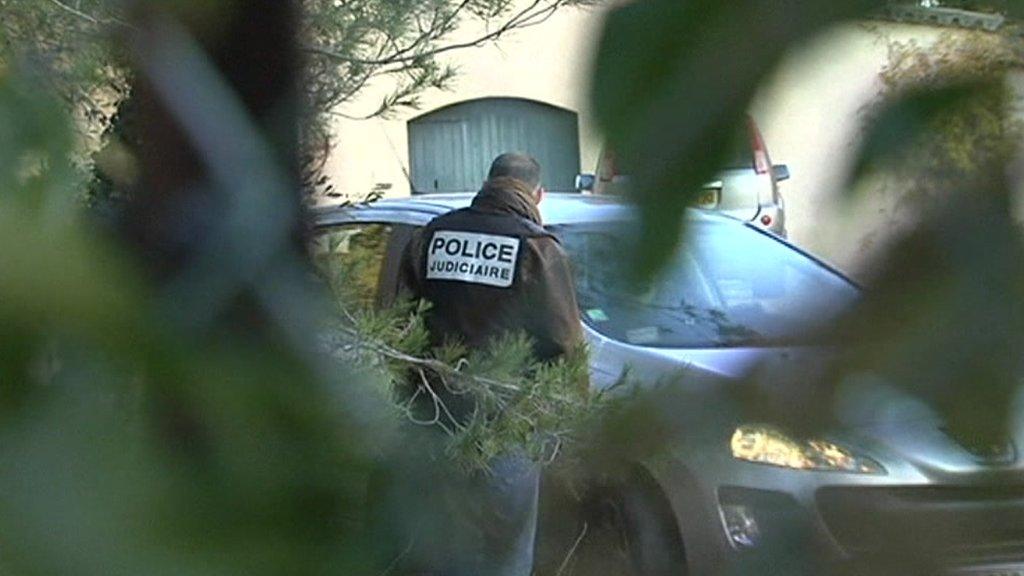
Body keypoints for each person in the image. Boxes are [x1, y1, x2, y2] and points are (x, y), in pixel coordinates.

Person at [384, 152, 584, 576]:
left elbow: (401, 322)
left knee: (436, 546)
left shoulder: (430, 237)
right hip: (505, 426)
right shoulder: (537, 248)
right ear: (538, 194)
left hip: (432, 420)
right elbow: (565, 344)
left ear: (488, 182)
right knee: (501, 553)